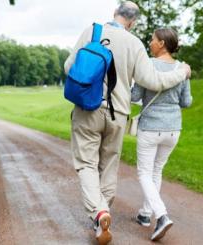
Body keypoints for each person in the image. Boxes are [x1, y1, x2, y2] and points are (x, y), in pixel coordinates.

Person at [64, 2, 191, 244]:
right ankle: (103, 214)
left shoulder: (92, 30)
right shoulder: (134, 44)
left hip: (86, 110)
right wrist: (182, 73)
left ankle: (99, 213)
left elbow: (69, 66)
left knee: (87, 164)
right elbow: (153, 80)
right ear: (132, 23)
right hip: (117, 114)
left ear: (115, 14)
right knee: (109, 164)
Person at [131, 28, 193, 241]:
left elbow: (135, 95)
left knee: (144, 173)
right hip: (174, 129)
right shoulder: (182, 69)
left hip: (150, 127)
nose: (150, 42)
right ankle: (145, 215)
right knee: (156, 171)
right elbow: (186, 102)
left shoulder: (147, 64)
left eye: (153, 39)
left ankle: (162, 215)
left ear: (162, 44)